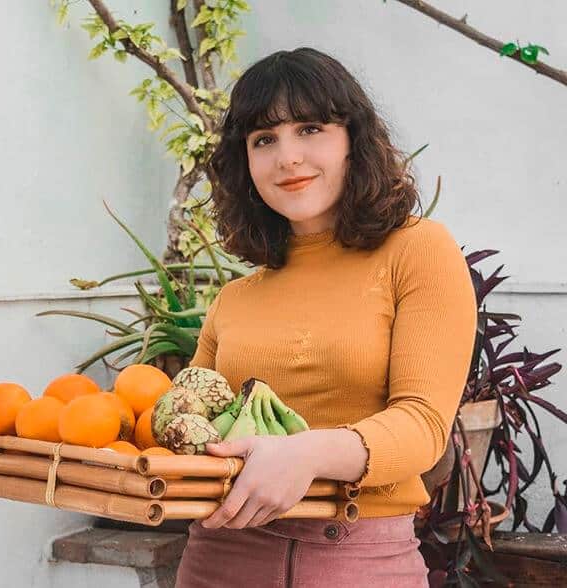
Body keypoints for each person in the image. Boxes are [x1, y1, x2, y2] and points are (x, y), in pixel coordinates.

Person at [175, 47, 477, 587]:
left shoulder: (417, 251)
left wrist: (306, 454)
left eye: (310, 128)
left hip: (356, 560)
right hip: (217, 557)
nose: (287, 157)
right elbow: (188, 423)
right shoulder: (236, 297)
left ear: (353, 141)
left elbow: (424, 424)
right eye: (263, 140)